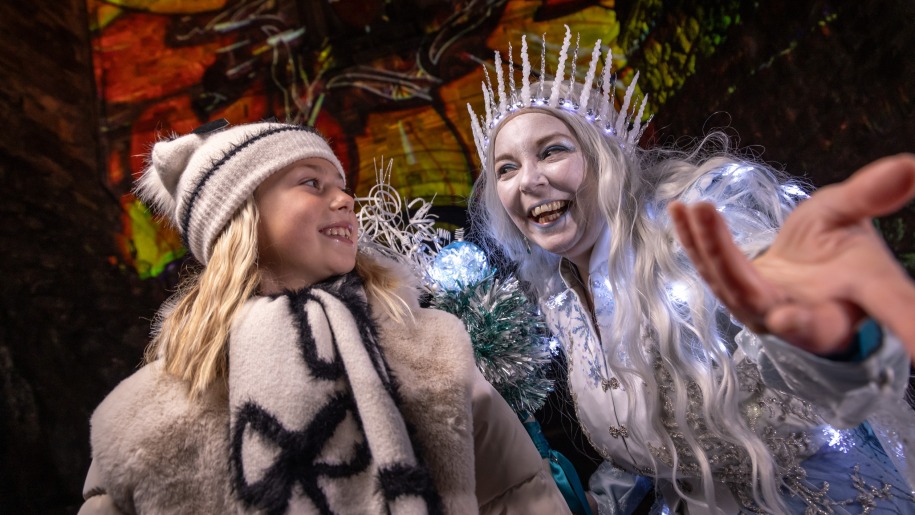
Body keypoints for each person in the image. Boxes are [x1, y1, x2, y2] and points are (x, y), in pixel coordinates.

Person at [467, 29, 915, 514]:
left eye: (553, 150)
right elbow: (659, 440)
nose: (529, 182)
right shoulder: (560, 302)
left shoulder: (697, 231)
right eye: (506, 168)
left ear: (605, 158)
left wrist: (827, 334)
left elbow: (799, 355)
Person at [78, 120, 571, 514]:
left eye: (341, 184)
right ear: (239, 219)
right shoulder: (146, 411)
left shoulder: (430, 348)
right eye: (311, 183)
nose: (344, 198)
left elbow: (519, 492)